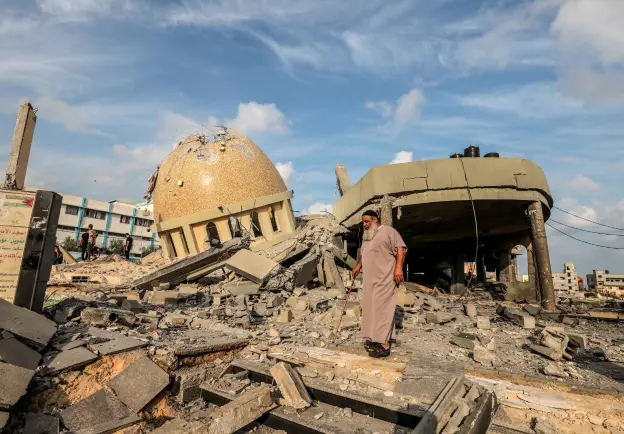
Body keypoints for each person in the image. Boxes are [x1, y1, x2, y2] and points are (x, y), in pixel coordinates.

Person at [352, 210, 406, 359]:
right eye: (363, 222)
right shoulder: (367, 236)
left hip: (385, 277)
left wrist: (398, 268)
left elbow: (401, 249)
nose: (365, 224)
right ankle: (374, 338)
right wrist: (358, 266)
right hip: (370, 279)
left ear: (375, 220)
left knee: (382, 309)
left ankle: (384, 344)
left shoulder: (389, 231)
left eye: (367, 221)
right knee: (371, 309)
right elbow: (365, 253)